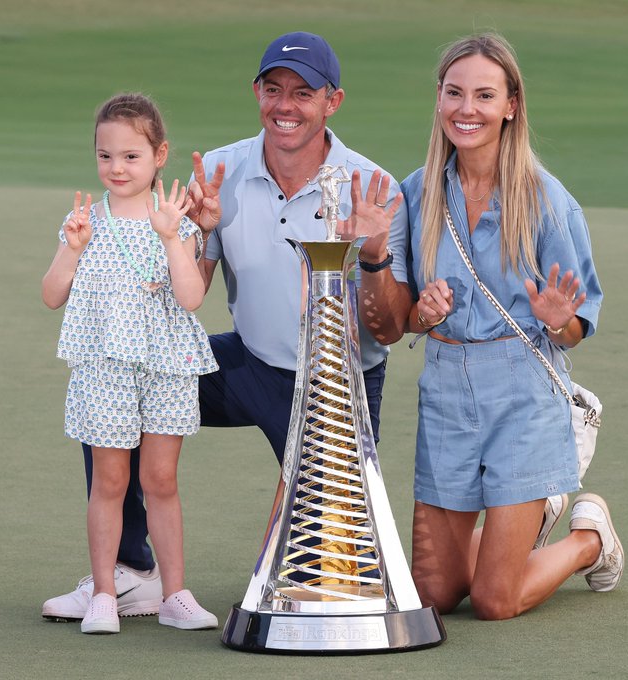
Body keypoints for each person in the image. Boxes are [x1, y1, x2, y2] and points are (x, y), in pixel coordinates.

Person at [42, 32, 406, 622]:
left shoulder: (374, 187)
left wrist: (375, 249)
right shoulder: (217, 170)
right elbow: (187, 293)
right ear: (256, 93)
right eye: (273, 90)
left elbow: (388, 327)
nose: (285, 105)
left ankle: (297, 543)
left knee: (318, 577)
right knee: (116, 390)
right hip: (249, 361)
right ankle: (132, 571)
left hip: (334, 387)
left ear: (332, 101)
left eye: (303, 93)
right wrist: (200, 231)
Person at [358, 33, 623, 619]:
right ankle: (523, 515)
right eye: (455, 93)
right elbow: (398, 323)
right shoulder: (415, 194)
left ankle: (588, 540)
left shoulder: (550, 202)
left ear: (511, 105)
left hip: (523, 391)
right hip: (447, 390)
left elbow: (577, 325)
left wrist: (559, 324)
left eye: (483, 95)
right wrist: (409, 296)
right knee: (433, 593)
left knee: (494, 601)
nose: (466, 109)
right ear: (439, 99)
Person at [42, 93, 220, 633]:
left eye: (130, 156)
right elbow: (52, 295)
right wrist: (71, 249)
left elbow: (191, 298)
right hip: (103, 368)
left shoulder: (176, 221)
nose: (116, 168)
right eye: (105, 156)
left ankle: (174, 594)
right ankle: (103, 594)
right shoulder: (83, 222)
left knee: (161, 479)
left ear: (159, 154)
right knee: (110, 481)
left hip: (166, 365)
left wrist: (172, 238)